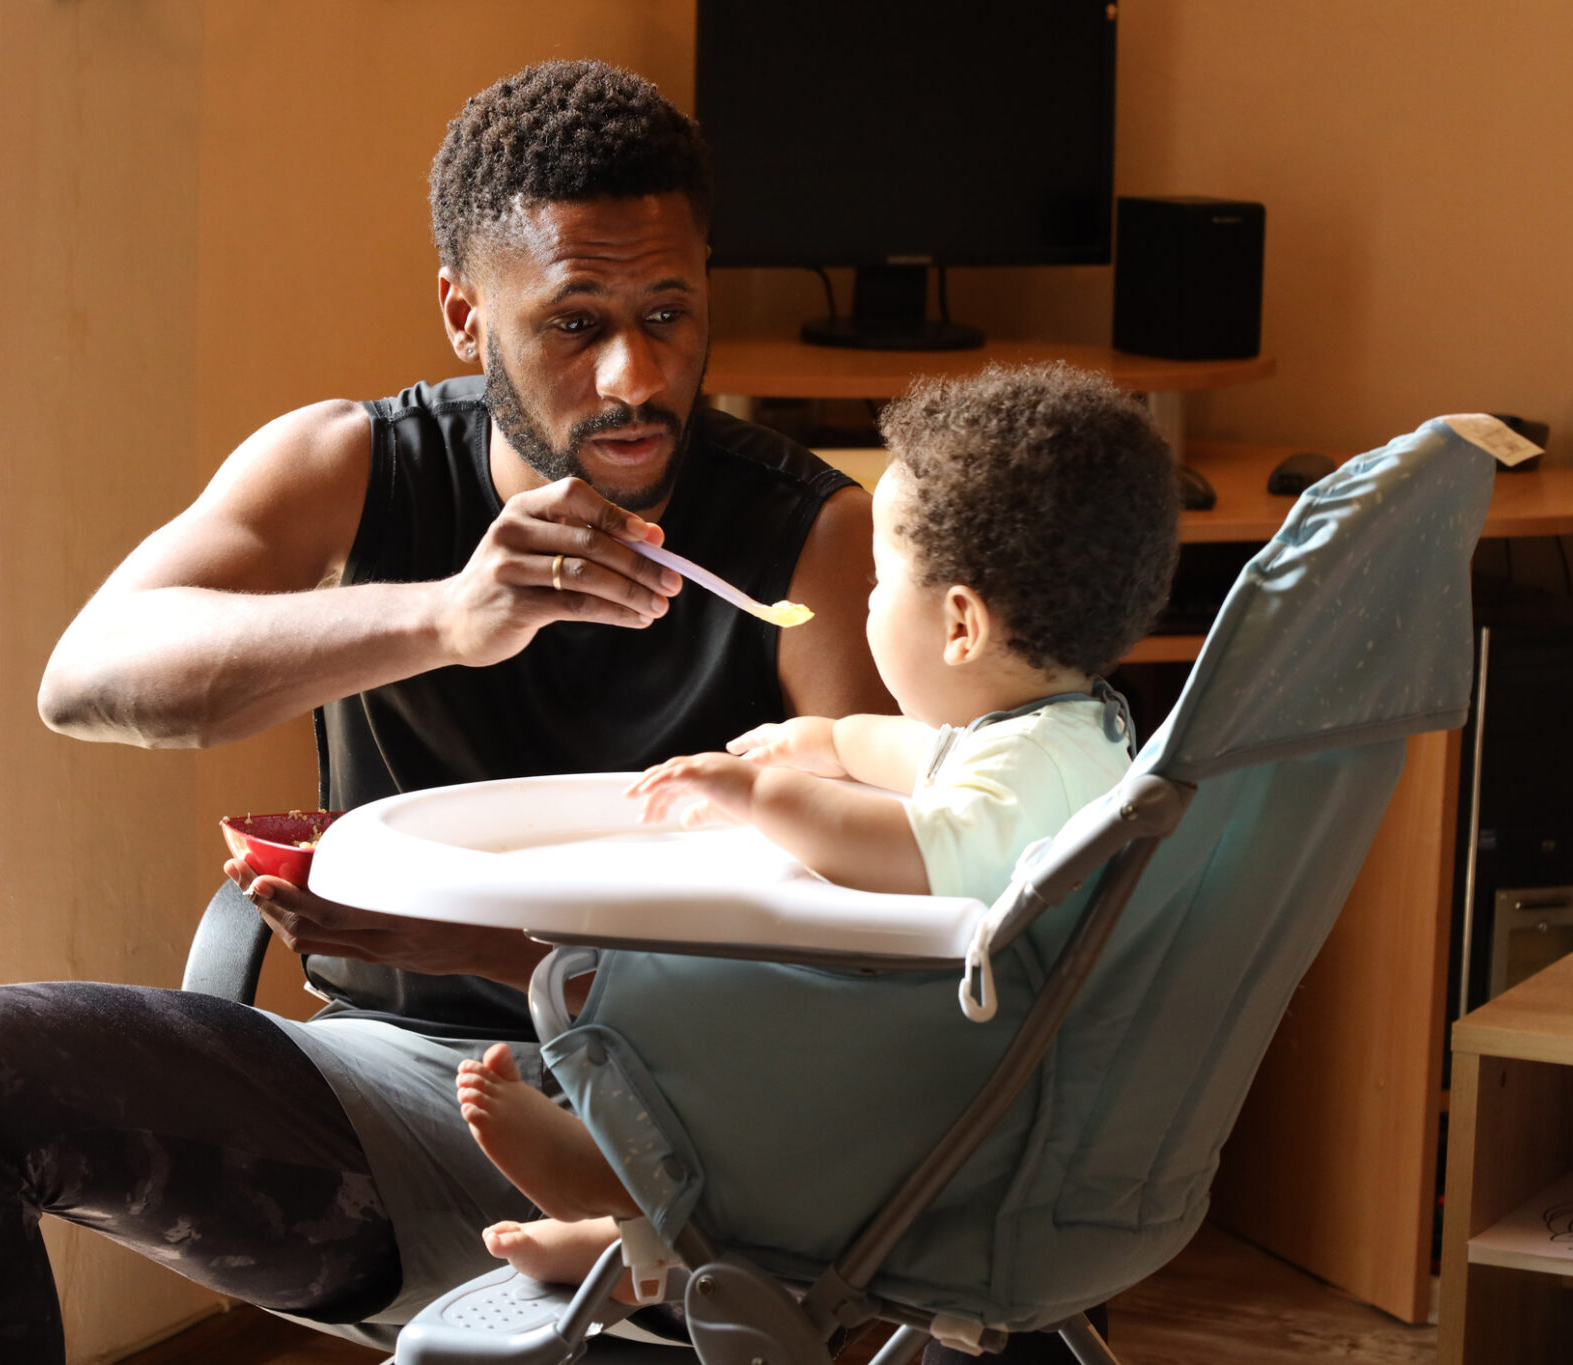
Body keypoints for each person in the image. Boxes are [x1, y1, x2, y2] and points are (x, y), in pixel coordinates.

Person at [0, 60, 887, 1364]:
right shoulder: (354, 465)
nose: (636, 372)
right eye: (576, 322)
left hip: (690, 1151)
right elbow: (91, 676)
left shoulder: (808, 539)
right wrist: (446, 615)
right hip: (391, 1098)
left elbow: (872, 966)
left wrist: (501, 951)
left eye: (669, 312)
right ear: (466, 312)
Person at [448, 363, 1179, 1305]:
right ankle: (633, 1243)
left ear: (960, 624)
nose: (866, 602)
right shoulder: (1081, 734)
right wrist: (831, 741)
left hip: (944, 1116)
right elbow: (932, 760)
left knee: (722, 985)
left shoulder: (1023, 771)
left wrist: (760, 795)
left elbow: (916, 849)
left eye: (881, 581)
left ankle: (625, 1167)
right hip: (1010, 1095)